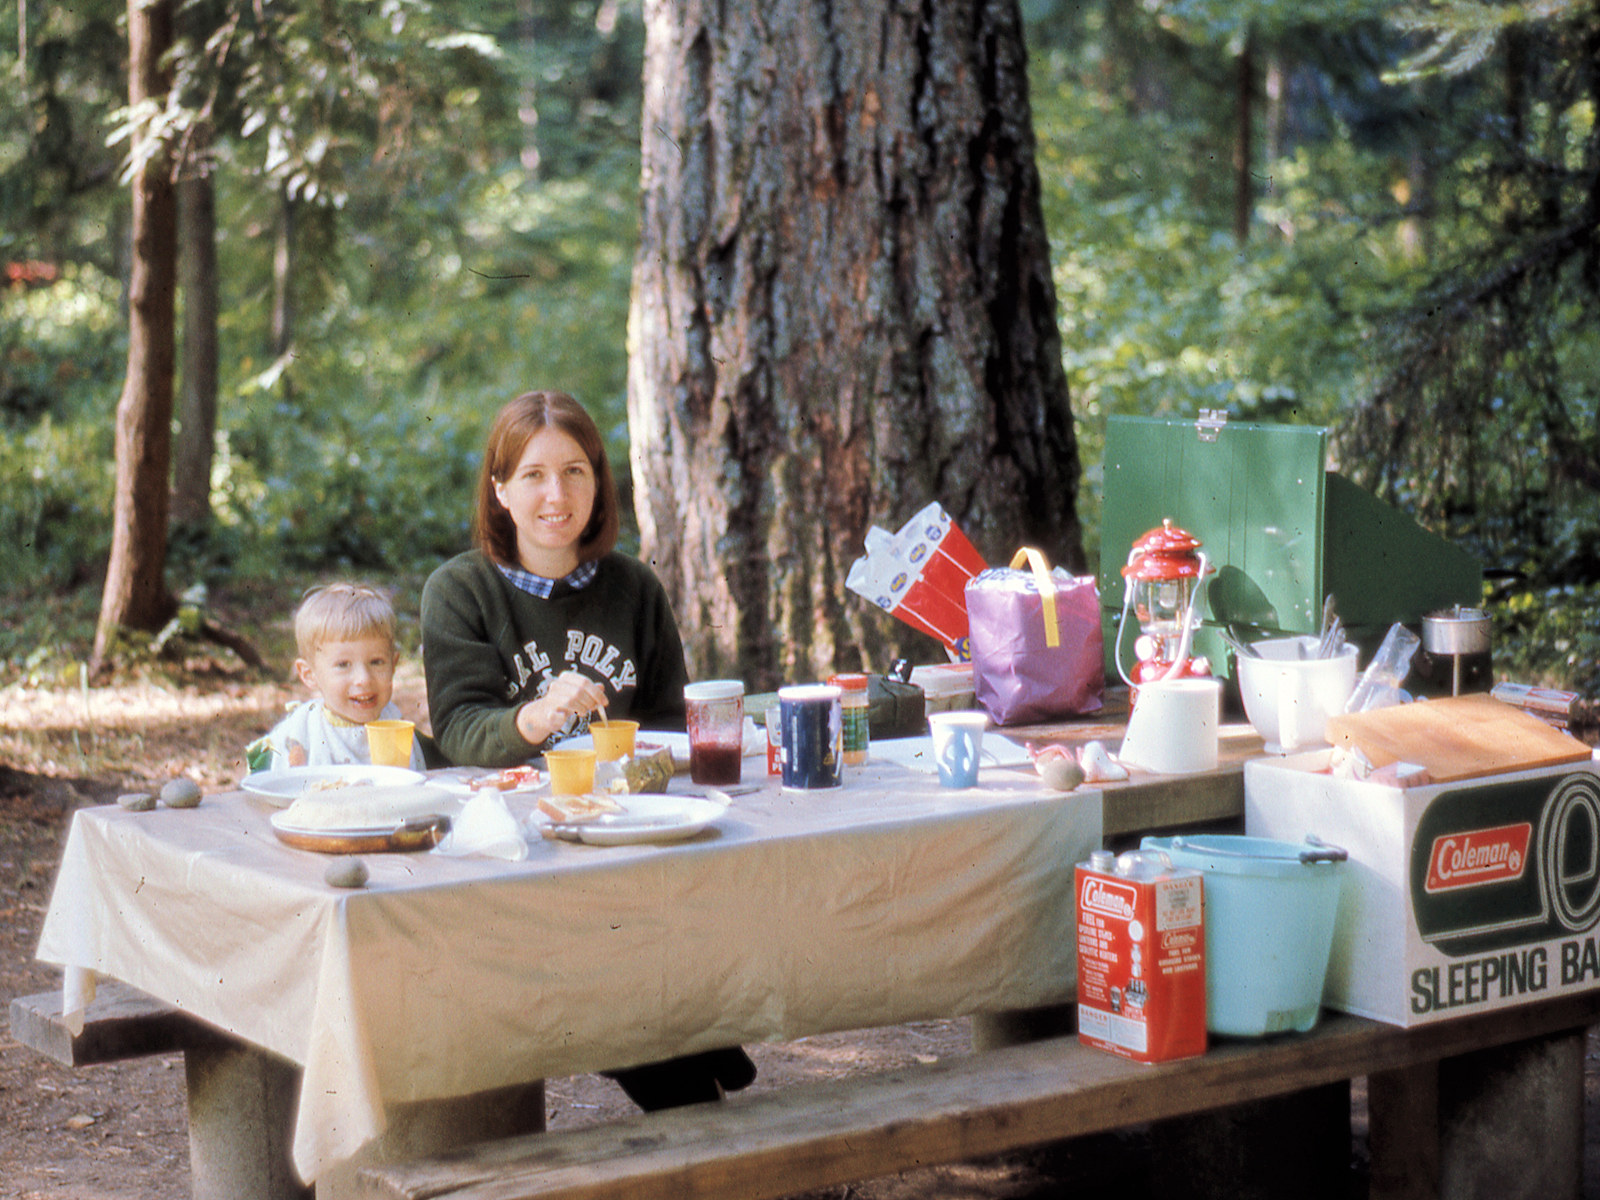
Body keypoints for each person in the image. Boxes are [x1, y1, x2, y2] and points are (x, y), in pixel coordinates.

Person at [420, 389, 755, 1111]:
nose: (556, 494)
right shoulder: (460, 591)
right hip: (521, 838)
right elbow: (460, 729)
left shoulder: (635, 587)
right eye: (534, 475)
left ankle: (695, 1054)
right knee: (604, 975)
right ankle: (691, 1072)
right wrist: (539, 715)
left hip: (626, 830)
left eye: (575, 472)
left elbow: (670, 722)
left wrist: (640, 772)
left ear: (599, 484)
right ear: (500, 489)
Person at [252, 583, 426, 771]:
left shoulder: (395, 726)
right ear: (309, 674)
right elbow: (276, 789)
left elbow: (416, 787)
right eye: (343, 665)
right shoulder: (300, 733)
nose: (364, 679)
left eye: (376, 662)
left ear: (393, 664)